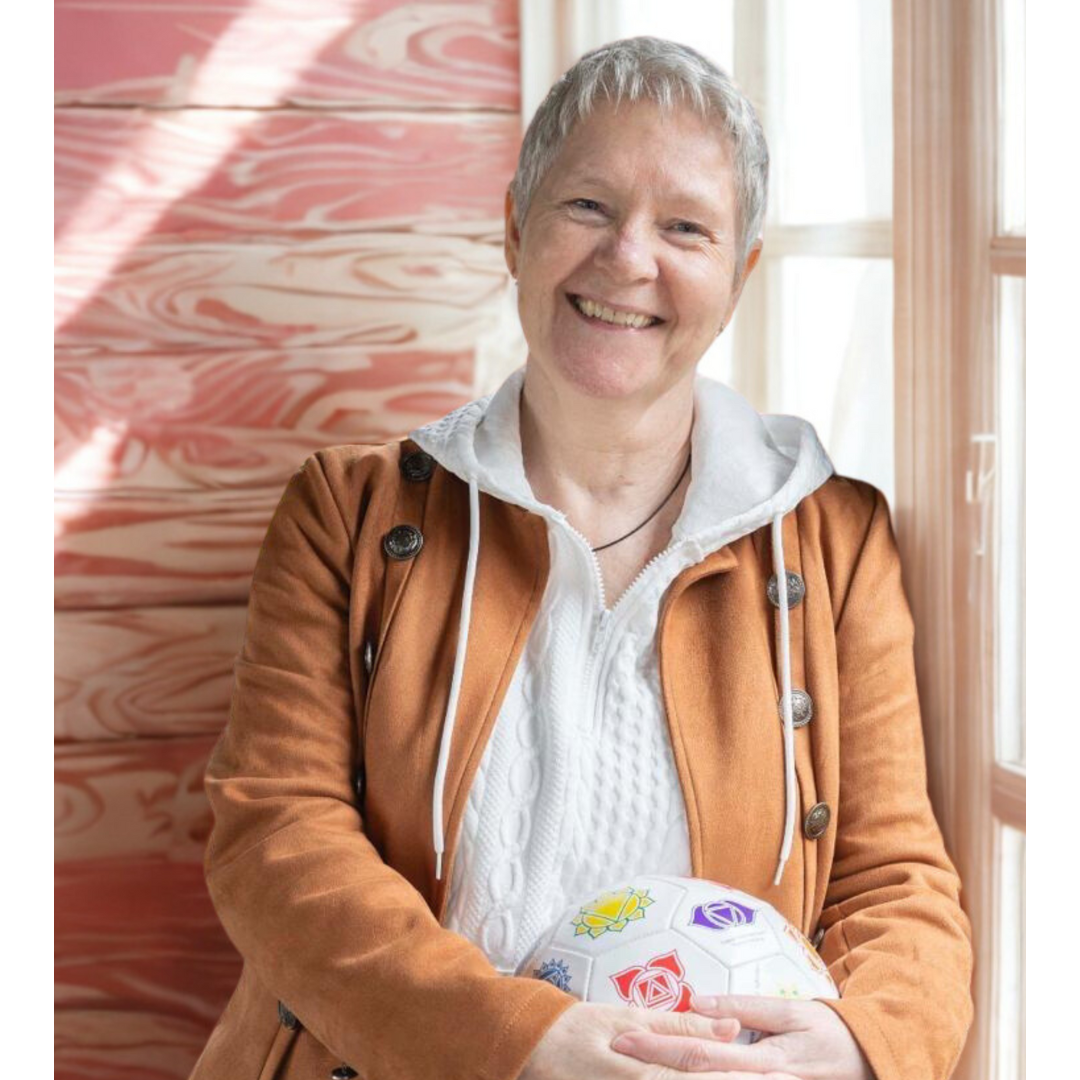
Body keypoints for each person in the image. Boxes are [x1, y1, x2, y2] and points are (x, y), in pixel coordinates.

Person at [188, 36, 975, 1080]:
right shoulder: (348, 511)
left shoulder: (834, 540)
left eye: (685, 227)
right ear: (515, 228)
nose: (628, 259)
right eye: (588, 207)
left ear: (739, 275)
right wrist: (515, 1044)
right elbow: (273, 841)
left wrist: (861, 1043)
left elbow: (898, 881)